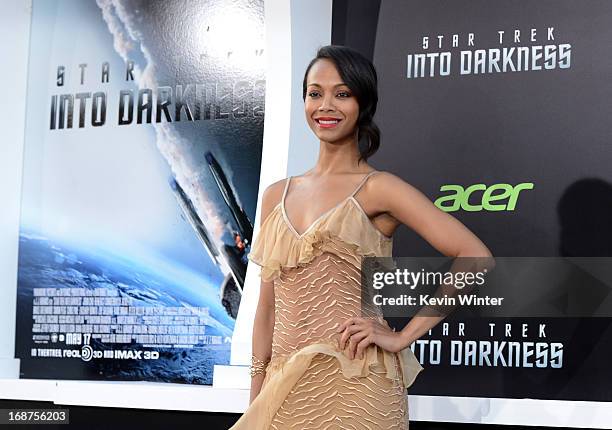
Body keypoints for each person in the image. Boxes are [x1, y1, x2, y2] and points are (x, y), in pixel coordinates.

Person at [230, 45, 492, 429]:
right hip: (283, 388)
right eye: (315, 93)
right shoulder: (276, 194)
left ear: (363, 102)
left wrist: (403, 336)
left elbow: (476, 257)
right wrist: (257, 397)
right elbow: (267, 308)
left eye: (342, 93)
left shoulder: (379, 188)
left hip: (358, 386)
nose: (326, 105)